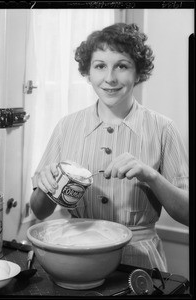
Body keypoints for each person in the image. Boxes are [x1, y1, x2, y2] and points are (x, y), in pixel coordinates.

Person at [30, 23, 189, 272]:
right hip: (77, 261)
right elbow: (39, 212)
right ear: (88, 72)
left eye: (122, 66)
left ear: (138, 73)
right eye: (100, 66)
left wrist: (151, 176)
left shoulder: (163, 128)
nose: (110, 78)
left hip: (140, 266)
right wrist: (46, 187)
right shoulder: (66, 126)